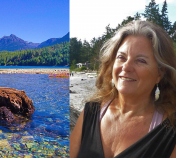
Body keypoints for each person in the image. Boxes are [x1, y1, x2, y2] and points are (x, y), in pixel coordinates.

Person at [70, 20, 176, 158]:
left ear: (159, 74)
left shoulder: (170, 132)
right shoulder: (90, 112)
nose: (126, 67)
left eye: (141, 60)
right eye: (121, 57)